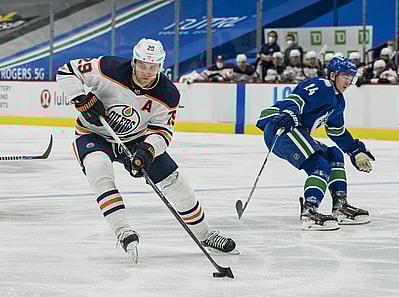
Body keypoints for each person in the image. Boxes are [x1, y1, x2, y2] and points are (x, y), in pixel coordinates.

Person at [56, 38, 239, 263]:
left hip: (135, 140)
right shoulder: (108, 68)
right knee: (98, 170)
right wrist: (80, 98)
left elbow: (162, 132)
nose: (146, 72)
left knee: (174, 181)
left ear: (161, 67)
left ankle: (206, 234)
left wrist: (147, 151)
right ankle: (123, 230)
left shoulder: (168, 94)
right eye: (142, 65)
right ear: (134, 62)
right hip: (93, 133)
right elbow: (66, 71)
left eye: (152, 67)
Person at [256, 56, 374, 231]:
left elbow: (337, 132)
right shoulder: (322, 85)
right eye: (345, 77)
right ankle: (310, 211)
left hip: (296, 130)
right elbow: (296, 99)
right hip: (281, 127)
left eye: (351, 78)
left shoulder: (338, 102)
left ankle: (340, 205)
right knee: (319, 165)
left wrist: (355, 150)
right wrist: (290, 112)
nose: (348, 82)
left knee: (334, 154)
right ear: (333, 75)